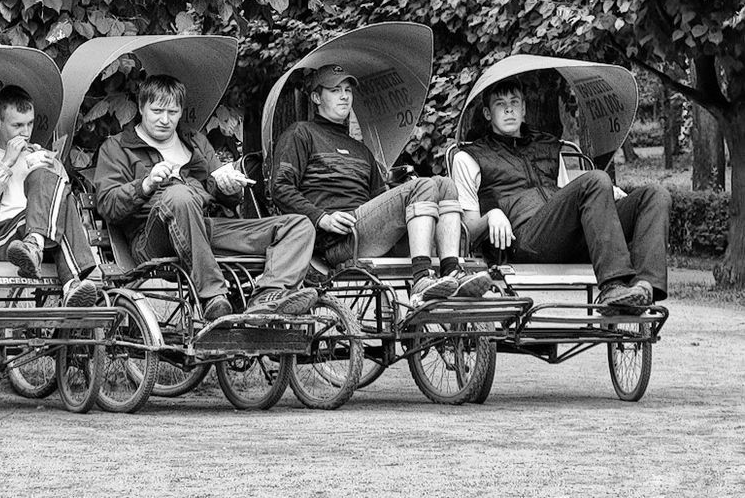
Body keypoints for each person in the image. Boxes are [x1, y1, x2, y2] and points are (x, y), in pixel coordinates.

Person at [94, 75, 318, 321]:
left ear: (181, 112)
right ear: (141, 107)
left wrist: (229, 186)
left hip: (206, 228)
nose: (165, 120)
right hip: (152, 238)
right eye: (157, 111)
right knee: (178, 195)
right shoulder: (117, 148)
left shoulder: (195, 142)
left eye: (173, 111)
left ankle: (268, 296)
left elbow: (225, 195)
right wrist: (145, 184)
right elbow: (107, 205)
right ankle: (212, 296)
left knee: (299, 225)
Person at [271, 64, 491, 306]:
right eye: (335, 90)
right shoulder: (300, 133)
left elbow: (381, 199)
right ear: (316, 97)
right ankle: (421, 278)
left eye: (348, 90)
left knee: (445, 184)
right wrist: (321, 217)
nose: (345, 96)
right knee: (422, 186)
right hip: (336, 241)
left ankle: (451, 271)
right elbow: (280, 187)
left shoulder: (361, 149)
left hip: (367, 230)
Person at [451, 76, 670, 314]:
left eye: (514, 102)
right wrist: (492, 215)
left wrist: (606, 196)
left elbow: (569, 196)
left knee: (655, 195)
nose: (508, 109)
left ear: (524, 109)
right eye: (499, 104)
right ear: (486, 113)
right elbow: (469, 230)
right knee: (596, 179)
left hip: (568, 235)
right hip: (525, 239)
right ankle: (613, 287)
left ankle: (643, 289)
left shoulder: (549, 146)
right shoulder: (469, 156)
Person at [0, 85, 98, 307]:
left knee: (48, 180)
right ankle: (71, 280)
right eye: (17, 125)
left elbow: (65, 206)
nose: (26, 132)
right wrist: (6, 163)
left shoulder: (41, 155)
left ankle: (39, 250)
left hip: (40, 242)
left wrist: (54, 171)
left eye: (30, 124)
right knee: (47, 195)